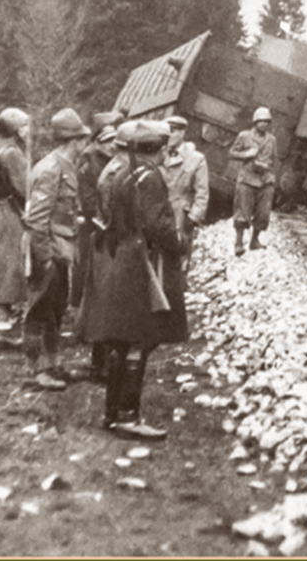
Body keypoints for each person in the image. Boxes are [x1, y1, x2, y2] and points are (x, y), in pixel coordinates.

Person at [91, 120, 187, 440]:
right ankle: (128, 416)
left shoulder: (123, 173)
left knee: (122, 339)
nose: (165, 154)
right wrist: (179, 242)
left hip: (123, 257)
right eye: (164, 149)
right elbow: (156, 223)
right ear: (156, 150)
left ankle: (111, 414)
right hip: (141, 262)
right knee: (140, 338)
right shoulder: (150, 177)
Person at [23, 107, 90, 391]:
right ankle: (35, 370)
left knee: (55, 310)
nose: (85, 145)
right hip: (47, 249)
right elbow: (37, 219)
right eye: (83, 140)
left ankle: (54, 364)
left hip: (61, 248)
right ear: (74, 141)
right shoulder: (51, 169)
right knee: (38, 311)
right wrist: (45, 259)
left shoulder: (65, 166)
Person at [76, 114, 122, 380]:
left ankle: (99, 355)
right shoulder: (90, 162)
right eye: (106, 141)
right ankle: (96, 355)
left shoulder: (110, 160)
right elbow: (89, 200)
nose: (111, 145)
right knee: (94, 285)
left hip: (106, 230)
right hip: (97, 231)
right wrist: (103, 224)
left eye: (114, 140)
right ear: (98, 141)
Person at [0, 107, 30, 332]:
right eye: (24, 126)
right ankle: (7, 321)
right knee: (12, 266)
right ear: (15, 130)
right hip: (11, 214)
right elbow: (25, 188)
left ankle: (2, 317)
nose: (28, 131)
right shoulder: (12, 153)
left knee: (1, 266)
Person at [162, 114, 209, 268]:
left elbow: (202, 193)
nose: (169, 135)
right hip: (159, 212)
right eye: (167, 131)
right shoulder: (159, 154)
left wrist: (193, 218)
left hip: (181, 214)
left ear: (182, 133)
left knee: (179, 256)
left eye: (173, 131)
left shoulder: (196, 158)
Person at [229, 107, 277, 255]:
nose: (264, 124)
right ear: (255, 122)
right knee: (242, 211)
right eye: (261, 121)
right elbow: (231, 153)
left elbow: (274, 160)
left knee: (263, 213)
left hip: (265, 179)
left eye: (266, 122)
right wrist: (246, 155)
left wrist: (266, 166)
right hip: (247, 178)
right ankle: (238, 242)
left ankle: (254, 241)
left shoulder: (272, 139)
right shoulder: (244, 136)